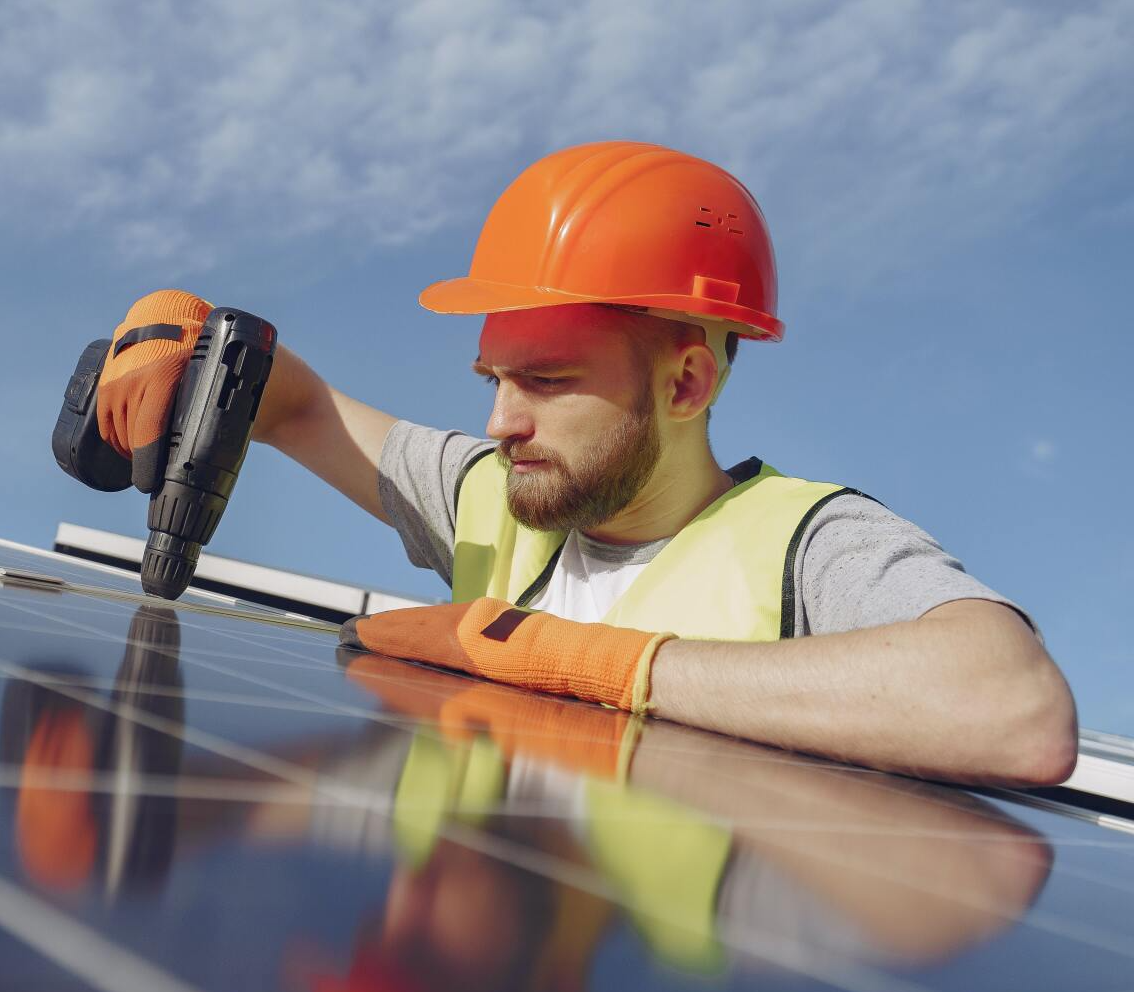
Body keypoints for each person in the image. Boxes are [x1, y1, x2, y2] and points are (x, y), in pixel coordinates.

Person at [89, 141, 1075, 787]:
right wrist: (182, 326)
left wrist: (577, 664)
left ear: (687, 384)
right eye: (492, 376)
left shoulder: (804, 544)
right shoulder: (499, 498)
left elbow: (1013, 709)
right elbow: (291, 401)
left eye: (549, 381)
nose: (500, 421)